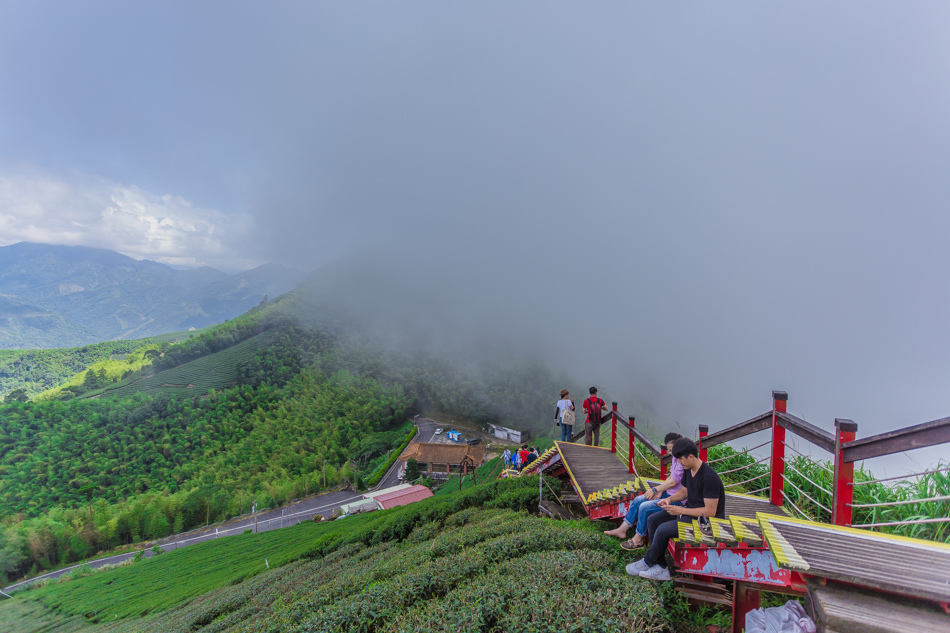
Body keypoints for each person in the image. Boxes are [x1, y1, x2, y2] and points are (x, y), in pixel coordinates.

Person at [626, 437, 726, 582]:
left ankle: (648, 561)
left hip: (706, 522)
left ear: (691, 457)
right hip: (690, 512)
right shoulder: (689, 469)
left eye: (681, 459)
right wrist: (669, 499)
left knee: (663, 529)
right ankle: (660, 566)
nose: (679, 463)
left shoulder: (709, 478)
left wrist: (681, 511)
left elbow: (710, 512)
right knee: (653, 520)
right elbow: (684, 492)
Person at [603, 432, 684, 548]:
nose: (671, 453)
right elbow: (671, 477)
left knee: (644, 507)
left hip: (676, 498)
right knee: (637, 500)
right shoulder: (676, 457)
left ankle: (638, 539)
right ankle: (622, 529)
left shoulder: (683, 459)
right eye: (669, 451)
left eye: (672, 450)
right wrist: (660, 490)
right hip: (668, 492)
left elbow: (674, 481)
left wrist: (655, 489)